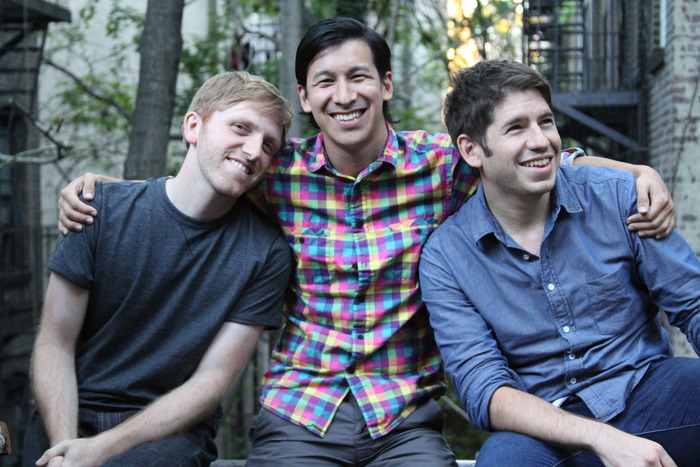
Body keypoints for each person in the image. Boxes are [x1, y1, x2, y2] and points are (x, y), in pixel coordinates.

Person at [56, 18, 677, 466]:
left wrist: (635, 174)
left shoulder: (442, 165)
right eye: (325, 81)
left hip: (405, 418)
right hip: (300, 409)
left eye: (359, 76)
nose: (344, 94)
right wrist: (107, 190)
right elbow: (206, 174)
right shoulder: (277, 171)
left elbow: (532, 156)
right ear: (305, 98)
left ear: (385, 85)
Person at [420, 59, 700, 466]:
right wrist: (602, 438)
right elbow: (486, 391)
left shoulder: (620, 197)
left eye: (546, 122)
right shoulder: (447, 257)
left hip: (650, 391)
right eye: (516, 127)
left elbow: (693, 303)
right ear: (471, 149)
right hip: (543, 428)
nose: (541, 141)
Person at [24, 71, 293, 467]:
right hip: (70, 414)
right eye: (240, 127)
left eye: (268, 144)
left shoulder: (265, 252)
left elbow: (210, 383)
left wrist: (102, 449)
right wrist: (67, 447)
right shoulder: (97, 208)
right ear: (193, 126)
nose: (254, 151)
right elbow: (54, 342)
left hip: (168, 433)